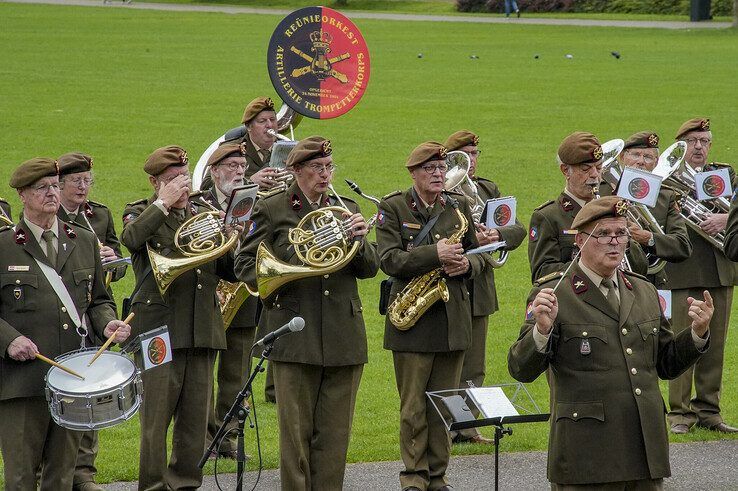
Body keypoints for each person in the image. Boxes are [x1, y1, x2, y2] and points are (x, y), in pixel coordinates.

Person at [509, 196, 713, 489]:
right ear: (579, 240)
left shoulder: (642, 290)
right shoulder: (555, 293)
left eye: (621, 233)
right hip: (587, 455)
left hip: (644, 450)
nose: (614, 242)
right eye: (603, 234)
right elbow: (520, 368)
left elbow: (666, 363)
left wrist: (696, 332)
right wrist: (541, 331)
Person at [235, 136, 378, 489]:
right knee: (295, 438)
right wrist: (297, 262)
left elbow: (371, 268)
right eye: (317, 168)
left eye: (329, 167)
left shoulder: (347, 207)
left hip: (343, 334)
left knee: (334, 436)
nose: (325, 175)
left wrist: (359, 241)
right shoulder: (273, 208)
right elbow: (244, 265)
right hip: (294, 336)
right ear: (296, 171)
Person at [0, 157, 130, 490]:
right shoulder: (3, 247)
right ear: (23, 196)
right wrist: (9, 339)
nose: (52, 194)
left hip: (73, 380)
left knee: (62, 474)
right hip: (22, 382)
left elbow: (99, 299)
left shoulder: (83, 241)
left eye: (56, 186)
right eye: (42, 188)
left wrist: (108, 324)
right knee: (20, 476)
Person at [121, 145, 238, 489]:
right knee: (156, 419)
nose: (182, 185)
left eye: (184, 178)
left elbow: (227, 272)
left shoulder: (204, 210)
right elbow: (132, 239)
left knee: (194, 419)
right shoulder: (140, 211)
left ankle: (186, 483)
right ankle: (153, 486)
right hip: (159, 329)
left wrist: (232, 239)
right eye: (172, 180)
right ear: (155, 183)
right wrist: (163, 204)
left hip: (201, 327)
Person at [376, 141, 490, 491]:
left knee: (446, 405)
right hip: (412, 323)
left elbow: (482, 253)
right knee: (413, 407)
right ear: (413, 173)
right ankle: (414, 477)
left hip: (452, 320)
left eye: (441, 168)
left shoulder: (458, 207)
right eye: (430, 169)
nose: (438, 174)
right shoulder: (393, 207)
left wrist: (468, 264)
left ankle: (438, 476)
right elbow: (389, 260)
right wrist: (434, 253)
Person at [443, 130, 526, 445]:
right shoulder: (443, 191)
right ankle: (445, 425)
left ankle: (465, 427)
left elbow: (516, 227)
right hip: (451, 282)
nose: (472, 161)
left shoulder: (487, 189)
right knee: (450, 361)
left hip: (480, 286)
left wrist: (498, 234)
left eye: (475, 154)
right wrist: (475, 239)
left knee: (474, 364)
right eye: (465, 155)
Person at [54, 152, 128, 491]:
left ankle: (84, 472)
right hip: (58, 314)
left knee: (88, 395)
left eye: (88, 181)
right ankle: (53, 472)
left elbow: (120, 261)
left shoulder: (99, 215)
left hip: (91, 313)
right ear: (60, 184)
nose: (83, 187)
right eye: (76, 181)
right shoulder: (48, 215)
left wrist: (112, 260)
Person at [664, 118, 738, 434]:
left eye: (704, 141)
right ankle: (679, 413)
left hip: (721, 269)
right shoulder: (667, 179)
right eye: (693, 140)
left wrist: (726, 217)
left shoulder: (725, 174)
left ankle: (709, 410)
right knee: (683, 341)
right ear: (681, 145)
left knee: (715, 344)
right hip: (683, 269)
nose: (699, 147)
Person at [201, 142, 260, 459]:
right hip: (209, 300)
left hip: (243, 299)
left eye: (242, 166)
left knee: (236, 375)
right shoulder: (201, 204)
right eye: (231, 167)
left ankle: (229, 437)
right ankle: (204, 436)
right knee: (204, 375)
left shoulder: (255, 203)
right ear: (214, 172)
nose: (239, 172)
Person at [528, 131, 648, 283]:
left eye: (599, 168)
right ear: (566, 170)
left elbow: (641, 268)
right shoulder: (549, 216)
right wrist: (592, 267)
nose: (595, 176)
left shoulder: (613, 212)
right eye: (586, 169)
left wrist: (626, 239)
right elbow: (542, 273)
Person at [616, 132, 691, 288]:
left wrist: (648, 237)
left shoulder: (666, 196)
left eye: (648, 157)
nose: (641, 162)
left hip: (651, 282)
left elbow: (682, 246)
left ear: (656, 163)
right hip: (611, 279)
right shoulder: (602, 190)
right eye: (636, 155)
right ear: (622, 157)